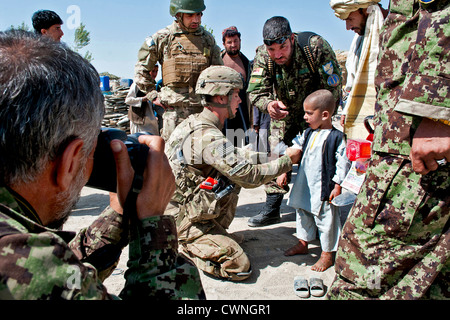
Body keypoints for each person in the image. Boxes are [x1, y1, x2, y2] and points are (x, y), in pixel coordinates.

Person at [0, 30, 204, 300]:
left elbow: (53, 265)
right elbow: (45, 274)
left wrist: (119, 214)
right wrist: (154, 230)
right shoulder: (39, 275)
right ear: (70, 161)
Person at [328, 0, 449, 300]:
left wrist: (437, 111)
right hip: (404, 129)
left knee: (362, 267)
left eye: (348, 15)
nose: (346, 24)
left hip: (415, 135)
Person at [164, 66, 301, 281]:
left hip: (187, 210)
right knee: (238, 266)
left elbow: (236, 156)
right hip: (185, 222)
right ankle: (189, 246)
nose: (239, 100)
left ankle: (212, 232)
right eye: (236, 95)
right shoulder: (207, 135)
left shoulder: (196, 123)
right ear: (220, 97)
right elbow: (248, 176)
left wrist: (269, 157)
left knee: (229, 173)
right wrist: (287, 161)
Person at [247, 16, 342, 227]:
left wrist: (320, 115)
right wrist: (269, 105)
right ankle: (272, 208)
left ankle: (323, 211)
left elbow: (333, 86)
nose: (277, 54)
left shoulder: (315, 47)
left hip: (315, 115)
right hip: (283, 114)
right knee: (275, 153)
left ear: (291, 38)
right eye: (272, 50)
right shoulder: (264, 56)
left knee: (320, 158)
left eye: (282, 47)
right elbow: (255, 92)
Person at [280, 90, 350, 272]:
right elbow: (293, 149)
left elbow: (343, 164)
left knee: (326, 220)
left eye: (309, 113)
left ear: (325, 114)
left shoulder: (337, 138)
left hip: (323, 187)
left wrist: (338, 186)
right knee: (302, 212)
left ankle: (327, 253)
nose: (305, 117)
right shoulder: (308, 133)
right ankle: (303, 242)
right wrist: (282, 169)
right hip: (305, 184)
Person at [134, 0, 223, 141]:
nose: (196, 20)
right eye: (190, 15)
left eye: (199, 15)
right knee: (172, 158)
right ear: (178, 15)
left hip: (202, 112)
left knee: (204, 156)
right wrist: (153, 95)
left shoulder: (207, 40)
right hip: (173, 113)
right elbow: (141, 70)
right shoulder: (163, 38)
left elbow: (219, 74)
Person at [329, 0, 389, 139]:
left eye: (350, 19)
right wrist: (348, 109)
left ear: (367, 10)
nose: (347, 27)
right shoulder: (360, 41)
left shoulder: (393, 33)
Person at [221, 26, 251, 147]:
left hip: (242, 111)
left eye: (236, 41)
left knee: (243, 145)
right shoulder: (218, 60)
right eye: (229, 42)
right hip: (223, 110)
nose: (233, 45)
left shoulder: (247, 63)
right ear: (224, 44)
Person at [126, 64, 160, 135]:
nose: (154, 74)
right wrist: (142, 99)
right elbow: (128, 100)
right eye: (152, 71)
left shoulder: (153, 84)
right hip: (139, 121)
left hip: (150, 121)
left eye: (156, 71)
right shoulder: (137, 84)